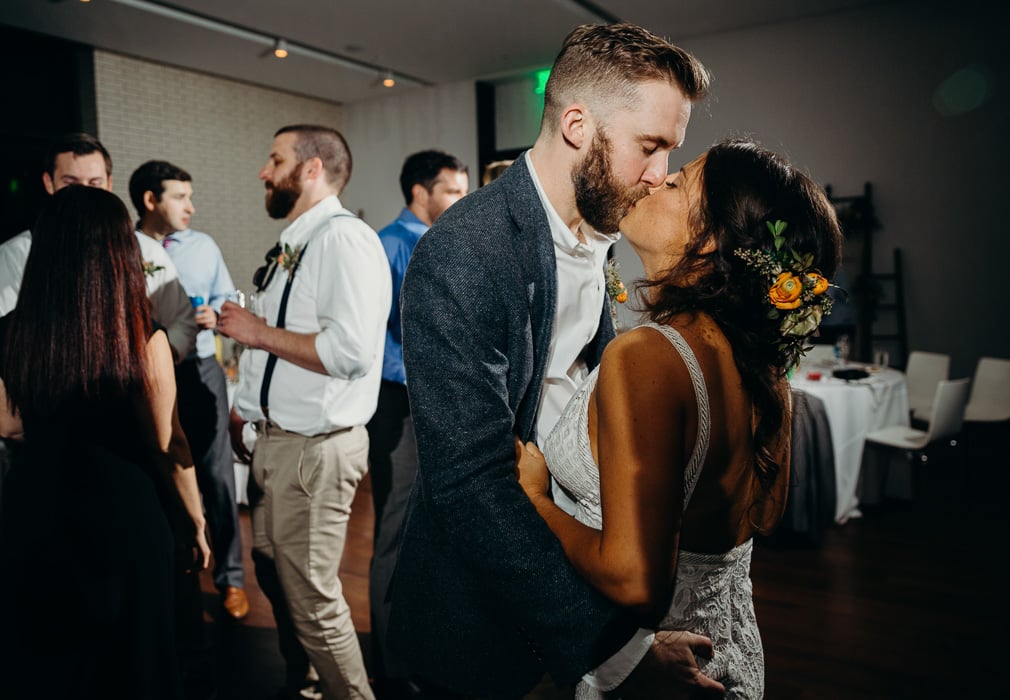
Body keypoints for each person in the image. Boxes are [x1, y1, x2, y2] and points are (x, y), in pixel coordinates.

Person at [388, 22, 720, 699]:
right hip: (479, 616)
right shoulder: (466, 252)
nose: (660, 176)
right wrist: (619, 655)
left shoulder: (595, 231)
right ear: (577, 124)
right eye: (650, 147)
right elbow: (471, 486)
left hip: (575, 575)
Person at [516, 138, 843, 698]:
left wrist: (537, 498)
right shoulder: (765, 369)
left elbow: (634, 580)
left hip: (659, 669)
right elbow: (764, 514)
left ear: (711, 238)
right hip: (731, 649)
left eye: (676, 183)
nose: (653, 179)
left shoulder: (649, 356)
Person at [0, 185, 211, 699]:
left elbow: (6, 426)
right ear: (121, 251)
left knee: (48, 665)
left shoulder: (10, 331)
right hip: (125, 517)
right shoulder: (142, 336)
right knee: (133, 668)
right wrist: (195, 520)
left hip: (33, 505)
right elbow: (169, 443)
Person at [218, 124, 391, 700]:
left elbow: (348, 354)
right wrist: (249, 410)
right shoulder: (298, 242)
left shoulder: (344, 240)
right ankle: (310, 685)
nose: (264, 172)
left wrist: (257, 333)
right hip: (275, 443)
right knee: (273, 569)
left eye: (275, 159)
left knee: (312, 596)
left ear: (312, 169)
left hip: (313, 452)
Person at [367, 149, 469, 697]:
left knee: (433, 535)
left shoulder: (447, 242)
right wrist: (421, 373)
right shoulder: (387, 244)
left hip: (442, 409)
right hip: (399, 408)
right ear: (420, 192)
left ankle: (426, 651)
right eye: (452, 190)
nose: (460, 201)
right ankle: (391, 667)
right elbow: (371, 335)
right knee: (393, 538)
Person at [130, 160, 249, 621]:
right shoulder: (123, 247)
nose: (190, 207)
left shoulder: (204, 247)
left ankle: (231, 579)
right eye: (180, 197)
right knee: (164, 470)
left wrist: (214, 316)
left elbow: (225, 300)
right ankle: (182, 578)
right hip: (146, 374)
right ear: (150, 200)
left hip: (201, 370)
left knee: (217, 476)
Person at [0, 133, 197, 359]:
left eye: (94, 183)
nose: (84, 193)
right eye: (71, 182)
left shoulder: (147, 249)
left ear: (109, 183)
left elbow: (182, 320)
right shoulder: (16, 254)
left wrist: (157, 359)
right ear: (49, 183)